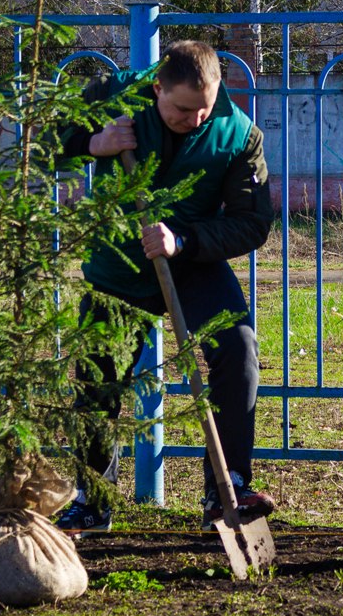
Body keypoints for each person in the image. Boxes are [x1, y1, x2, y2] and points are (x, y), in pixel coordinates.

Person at [57, 40, 276, 535]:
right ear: (157, 86)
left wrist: (186, 240)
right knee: (97, 374)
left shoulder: (239, 133)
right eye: (182, 109)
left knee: (238, 351)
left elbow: (252, 223)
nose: (196, 120)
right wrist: (94, 144)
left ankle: (228, 489)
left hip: (192, 259)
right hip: (120, 264)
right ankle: (94, 498)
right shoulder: (116, 96)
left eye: (205, 108)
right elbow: (43, 137)